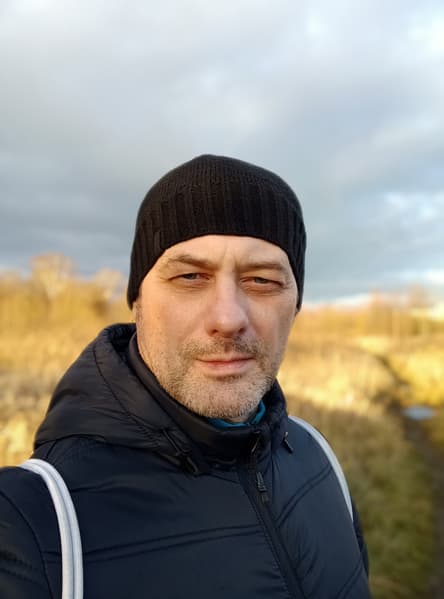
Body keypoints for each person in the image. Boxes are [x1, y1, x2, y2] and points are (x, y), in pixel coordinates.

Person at [0, 155, 371, 598]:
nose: (228, 319)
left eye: (261, 280)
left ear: (295, 306)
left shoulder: (317, 457)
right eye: (191, 276)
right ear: (138, 302)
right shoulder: (33, 523)